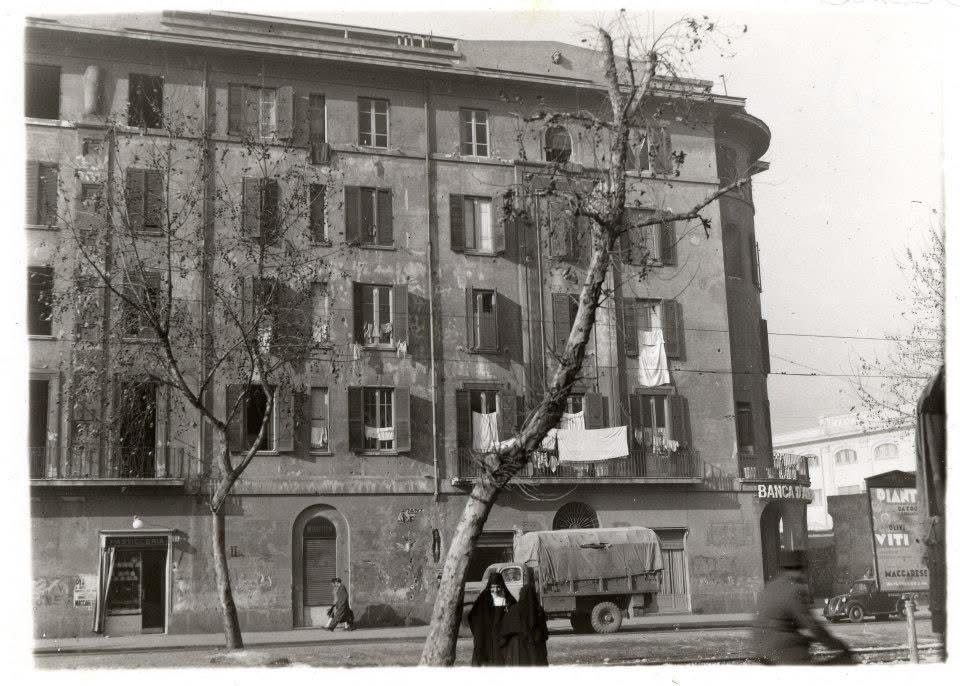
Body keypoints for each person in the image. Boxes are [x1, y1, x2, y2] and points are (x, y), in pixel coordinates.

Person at [753, 550, 851, 665]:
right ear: (800, 570)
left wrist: (809, 640)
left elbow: (779, 624)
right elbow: (813, 626)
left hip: (761, 650)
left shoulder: (769, 587)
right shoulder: (795, 590)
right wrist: (840, 646)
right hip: (783, 652)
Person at [500, 566, 549, 666]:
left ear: (521, 594)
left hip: (517, 650)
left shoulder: (514, 610)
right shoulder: (538, 611)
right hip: (536, 651)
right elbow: (544, 634)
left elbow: (504, 632)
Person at [467, 571, 516, 665]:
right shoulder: (484, 597)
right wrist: (480, 631)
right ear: (490, 586)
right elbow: (472, 616)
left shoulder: (507, 598)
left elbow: (515, 614)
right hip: (487, 639)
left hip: (501, 640)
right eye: (493, 587)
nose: (496, 589)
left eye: (498, 586)